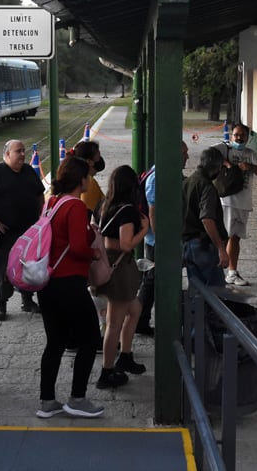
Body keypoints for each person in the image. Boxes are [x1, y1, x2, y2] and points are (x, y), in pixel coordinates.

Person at [35, 157, 106, 419]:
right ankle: (77, 397)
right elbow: (77, 247)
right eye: (88, 175)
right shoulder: (76, 206)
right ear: (81, 180)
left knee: (55, 342)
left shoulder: (52, 202)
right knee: (89, 338)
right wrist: (94, 254)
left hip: (47, 282)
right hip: (69, 283)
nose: (91, 179)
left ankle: (47, 401)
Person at [0, 139, 45, 321]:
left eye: (24, 150)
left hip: (27, 232)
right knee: (1, 269)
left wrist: (39, 218)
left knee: (27, 267)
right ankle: (1, 303)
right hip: (3, 232)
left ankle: (27, 300)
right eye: (18, 151)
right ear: (7, 154)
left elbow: (40, 194)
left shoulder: (29, 171)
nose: (23, 154)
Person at [95, 165, 150, 388]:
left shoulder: (103, 204)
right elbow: (127, 244)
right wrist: (143, 230)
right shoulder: (127, 210)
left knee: (134, 309)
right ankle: (106, 372)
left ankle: (125, 356)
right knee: (114, 322)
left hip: (107, 260)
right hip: (119, 264)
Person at [136, 141, 190, 336]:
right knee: (151, 280)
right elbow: (153, 212)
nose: (187, 157)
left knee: (153, 280)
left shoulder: (167, 172)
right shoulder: (158, 176)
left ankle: (142, 320)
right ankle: (140, 320)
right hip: (156, 241)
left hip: (164, 238)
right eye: (184, 153)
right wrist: (161, 241)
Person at [213, 123, 257, 286]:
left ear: (247, 137)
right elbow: (209, 155)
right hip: (226, 200)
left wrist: (249, 166)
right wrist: (229, 165)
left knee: (235, 237)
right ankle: (216, 271)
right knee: (222, 236)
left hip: (243, 201)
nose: (239, 138)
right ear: (231, 135)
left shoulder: (250, 154)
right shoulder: (224, 149)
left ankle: (232, 271)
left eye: (243, 135)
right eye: (236, 134)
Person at [181, 147, 229, 288]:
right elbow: (207, 219)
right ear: (217, 168)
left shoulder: (188, 182)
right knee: (215, 292)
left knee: (196, 292)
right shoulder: (206, 186)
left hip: (188, 243)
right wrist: (221, 248)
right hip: (202, 246)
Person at [72, 140, 106, 218]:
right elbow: (89, 215)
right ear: (89, 162)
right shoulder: (89, 184)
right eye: (98, 157)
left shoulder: (76, 177)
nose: (100, 160)